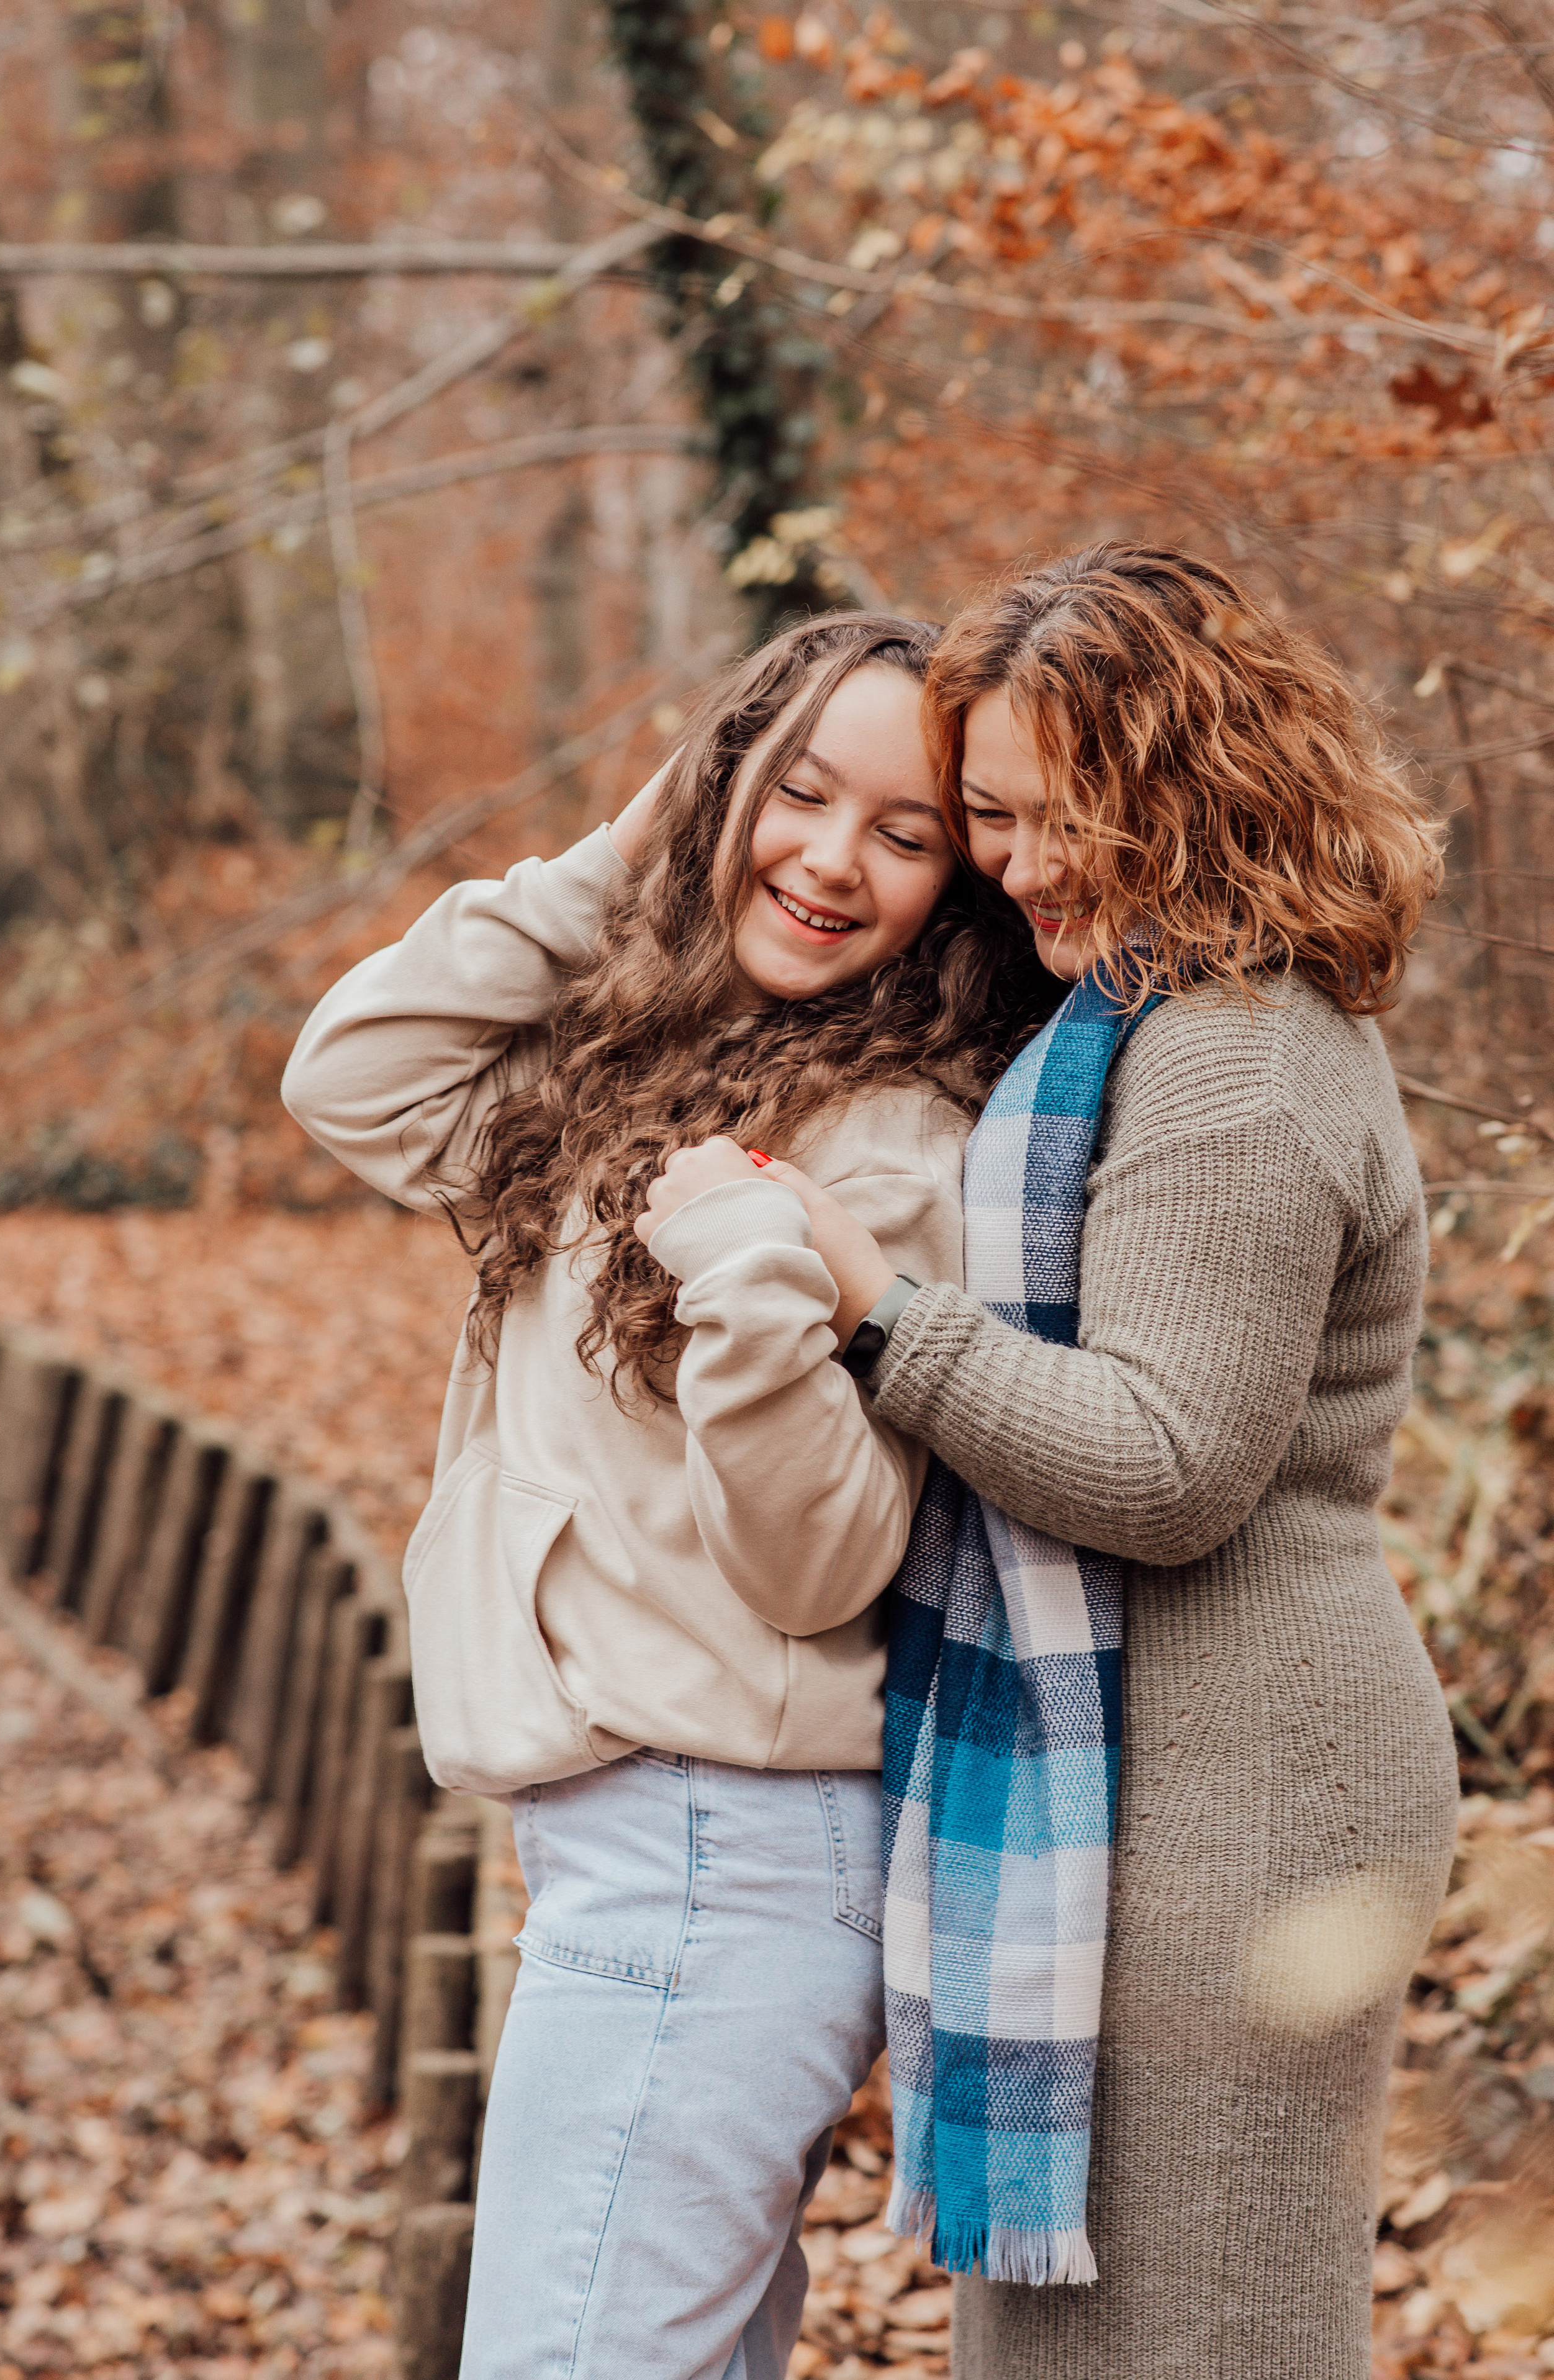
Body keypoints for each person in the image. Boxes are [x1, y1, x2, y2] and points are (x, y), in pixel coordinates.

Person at [641, 546, 1460, 2380]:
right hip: (1163, 1769)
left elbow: (1168, 1467)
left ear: (1199, 789)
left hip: (1246, 1797)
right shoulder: (1139, 1025)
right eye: (994, 819)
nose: (1019, 866)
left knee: (1208, 2337)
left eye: (1064, 815)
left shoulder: (1234, 1062)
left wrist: (875, 1303)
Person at [280, 612, 1050, 2380]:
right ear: (719, 783)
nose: (832, 861)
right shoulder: (636, 1059)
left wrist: (758, 1284)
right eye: (797, 793)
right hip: (646, 1845)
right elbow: (352, 1078)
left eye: (906, 833)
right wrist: (614, 862)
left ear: (953, 888)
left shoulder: (893, 1138)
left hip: (725, 1856)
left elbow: (824, 1565)